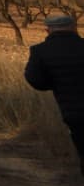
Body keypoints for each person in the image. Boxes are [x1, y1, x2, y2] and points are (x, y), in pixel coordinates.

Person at [25, 12, 84, 174]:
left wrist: (56, 84)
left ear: (48, 30)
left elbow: (34, 79)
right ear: (74, 28)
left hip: (73, 112)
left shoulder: (40, 51)